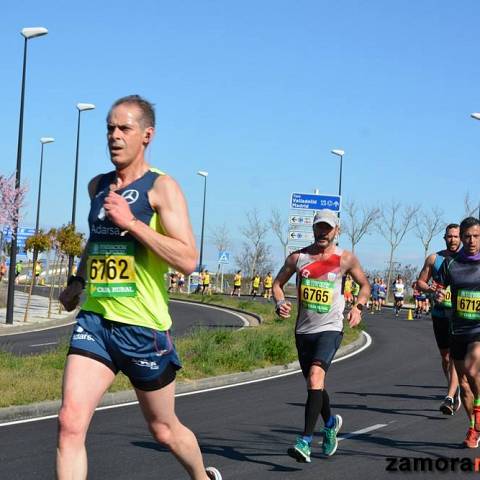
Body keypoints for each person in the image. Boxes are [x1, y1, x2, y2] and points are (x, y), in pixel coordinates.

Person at [57, 95, 222, 480]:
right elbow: (97, 241)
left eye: (124, 129)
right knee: (69, 423)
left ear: (146, 135)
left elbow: (187, 259)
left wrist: (133, 224)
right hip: (96, 320)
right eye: (110, 129)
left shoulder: (162, 188)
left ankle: (201, 476)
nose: (114, 136)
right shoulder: (97, 185)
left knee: (163, 430)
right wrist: (78, 280)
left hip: (143, 328)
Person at [273, 209, 370, 463]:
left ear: (337, 230)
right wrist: (280, 302)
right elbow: (277, 283)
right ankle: (329, 423)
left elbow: (365, 285)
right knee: (314, 384)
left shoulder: (345, 259)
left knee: (316, 377)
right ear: (313, 229)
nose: (323, 232)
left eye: (328, 228)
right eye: (319, 228)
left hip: (331, 328)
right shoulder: (298, 258)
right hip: (303, 331)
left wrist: (358, 308)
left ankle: (304, 441)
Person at [435, 217, 480, 447]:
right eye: (468, 236)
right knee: (463, 383)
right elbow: (439, 287)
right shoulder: (451, 263)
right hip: (458, 329)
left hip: (478, 330)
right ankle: (473, 427)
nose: (472, 240)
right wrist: (439, 294)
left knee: (473, 371)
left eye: (476, 236)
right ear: (461, 238)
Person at [417, 223, 461, 415]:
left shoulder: (468, 260)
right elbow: (420, 283)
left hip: (460, 316)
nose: (453, 239)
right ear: (444, 238)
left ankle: (450, 397)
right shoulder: (434, 259)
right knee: (445, 357)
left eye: (456, 236)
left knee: (455, 356)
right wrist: (432, 290)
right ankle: (454, 388)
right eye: (449, 236)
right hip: (439, 314)